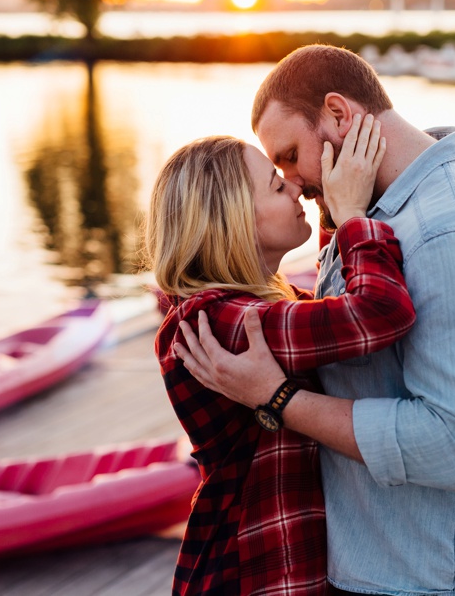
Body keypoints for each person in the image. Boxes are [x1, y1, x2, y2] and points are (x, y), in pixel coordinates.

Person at [174, 44, 455, 595]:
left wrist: (280, 401)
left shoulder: (451, 231)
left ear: (338, 115)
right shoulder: (374, 212)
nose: (294, 182)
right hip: (395, 572)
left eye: (288, 157)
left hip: (437, 583)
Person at [144, 113, 416, 595]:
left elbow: (329, 316)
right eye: (275, 185)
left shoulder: (266, 304)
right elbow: (377, 311)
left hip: (285, 564)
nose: (294, 188)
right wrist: (352, 215)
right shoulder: (218, 322)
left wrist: (333, 212)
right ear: (231, 217)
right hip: (250, 571)